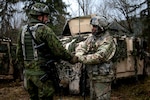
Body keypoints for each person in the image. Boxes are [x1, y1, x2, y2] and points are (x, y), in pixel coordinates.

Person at [16, 2, 78, 100]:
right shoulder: (44, 30)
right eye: (46, 16)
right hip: (43, 75)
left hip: (29, 76)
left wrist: (25, 69)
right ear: (39, 16)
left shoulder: (22, 30)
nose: (47, 19)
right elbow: (59, 50)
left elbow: (19, 53)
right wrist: (72, 58)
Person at [75, 15, 116, 100]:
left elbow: (99, 57)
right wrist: (79, 54)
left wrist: (80, 58)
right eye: (92, 26)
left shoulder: (108, 40)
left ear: (101, 28)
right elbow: (82, 46)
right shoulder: (92, 38)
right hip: (93, 76)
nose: (92, 28)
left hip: (103, 78)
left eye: (95, 26)